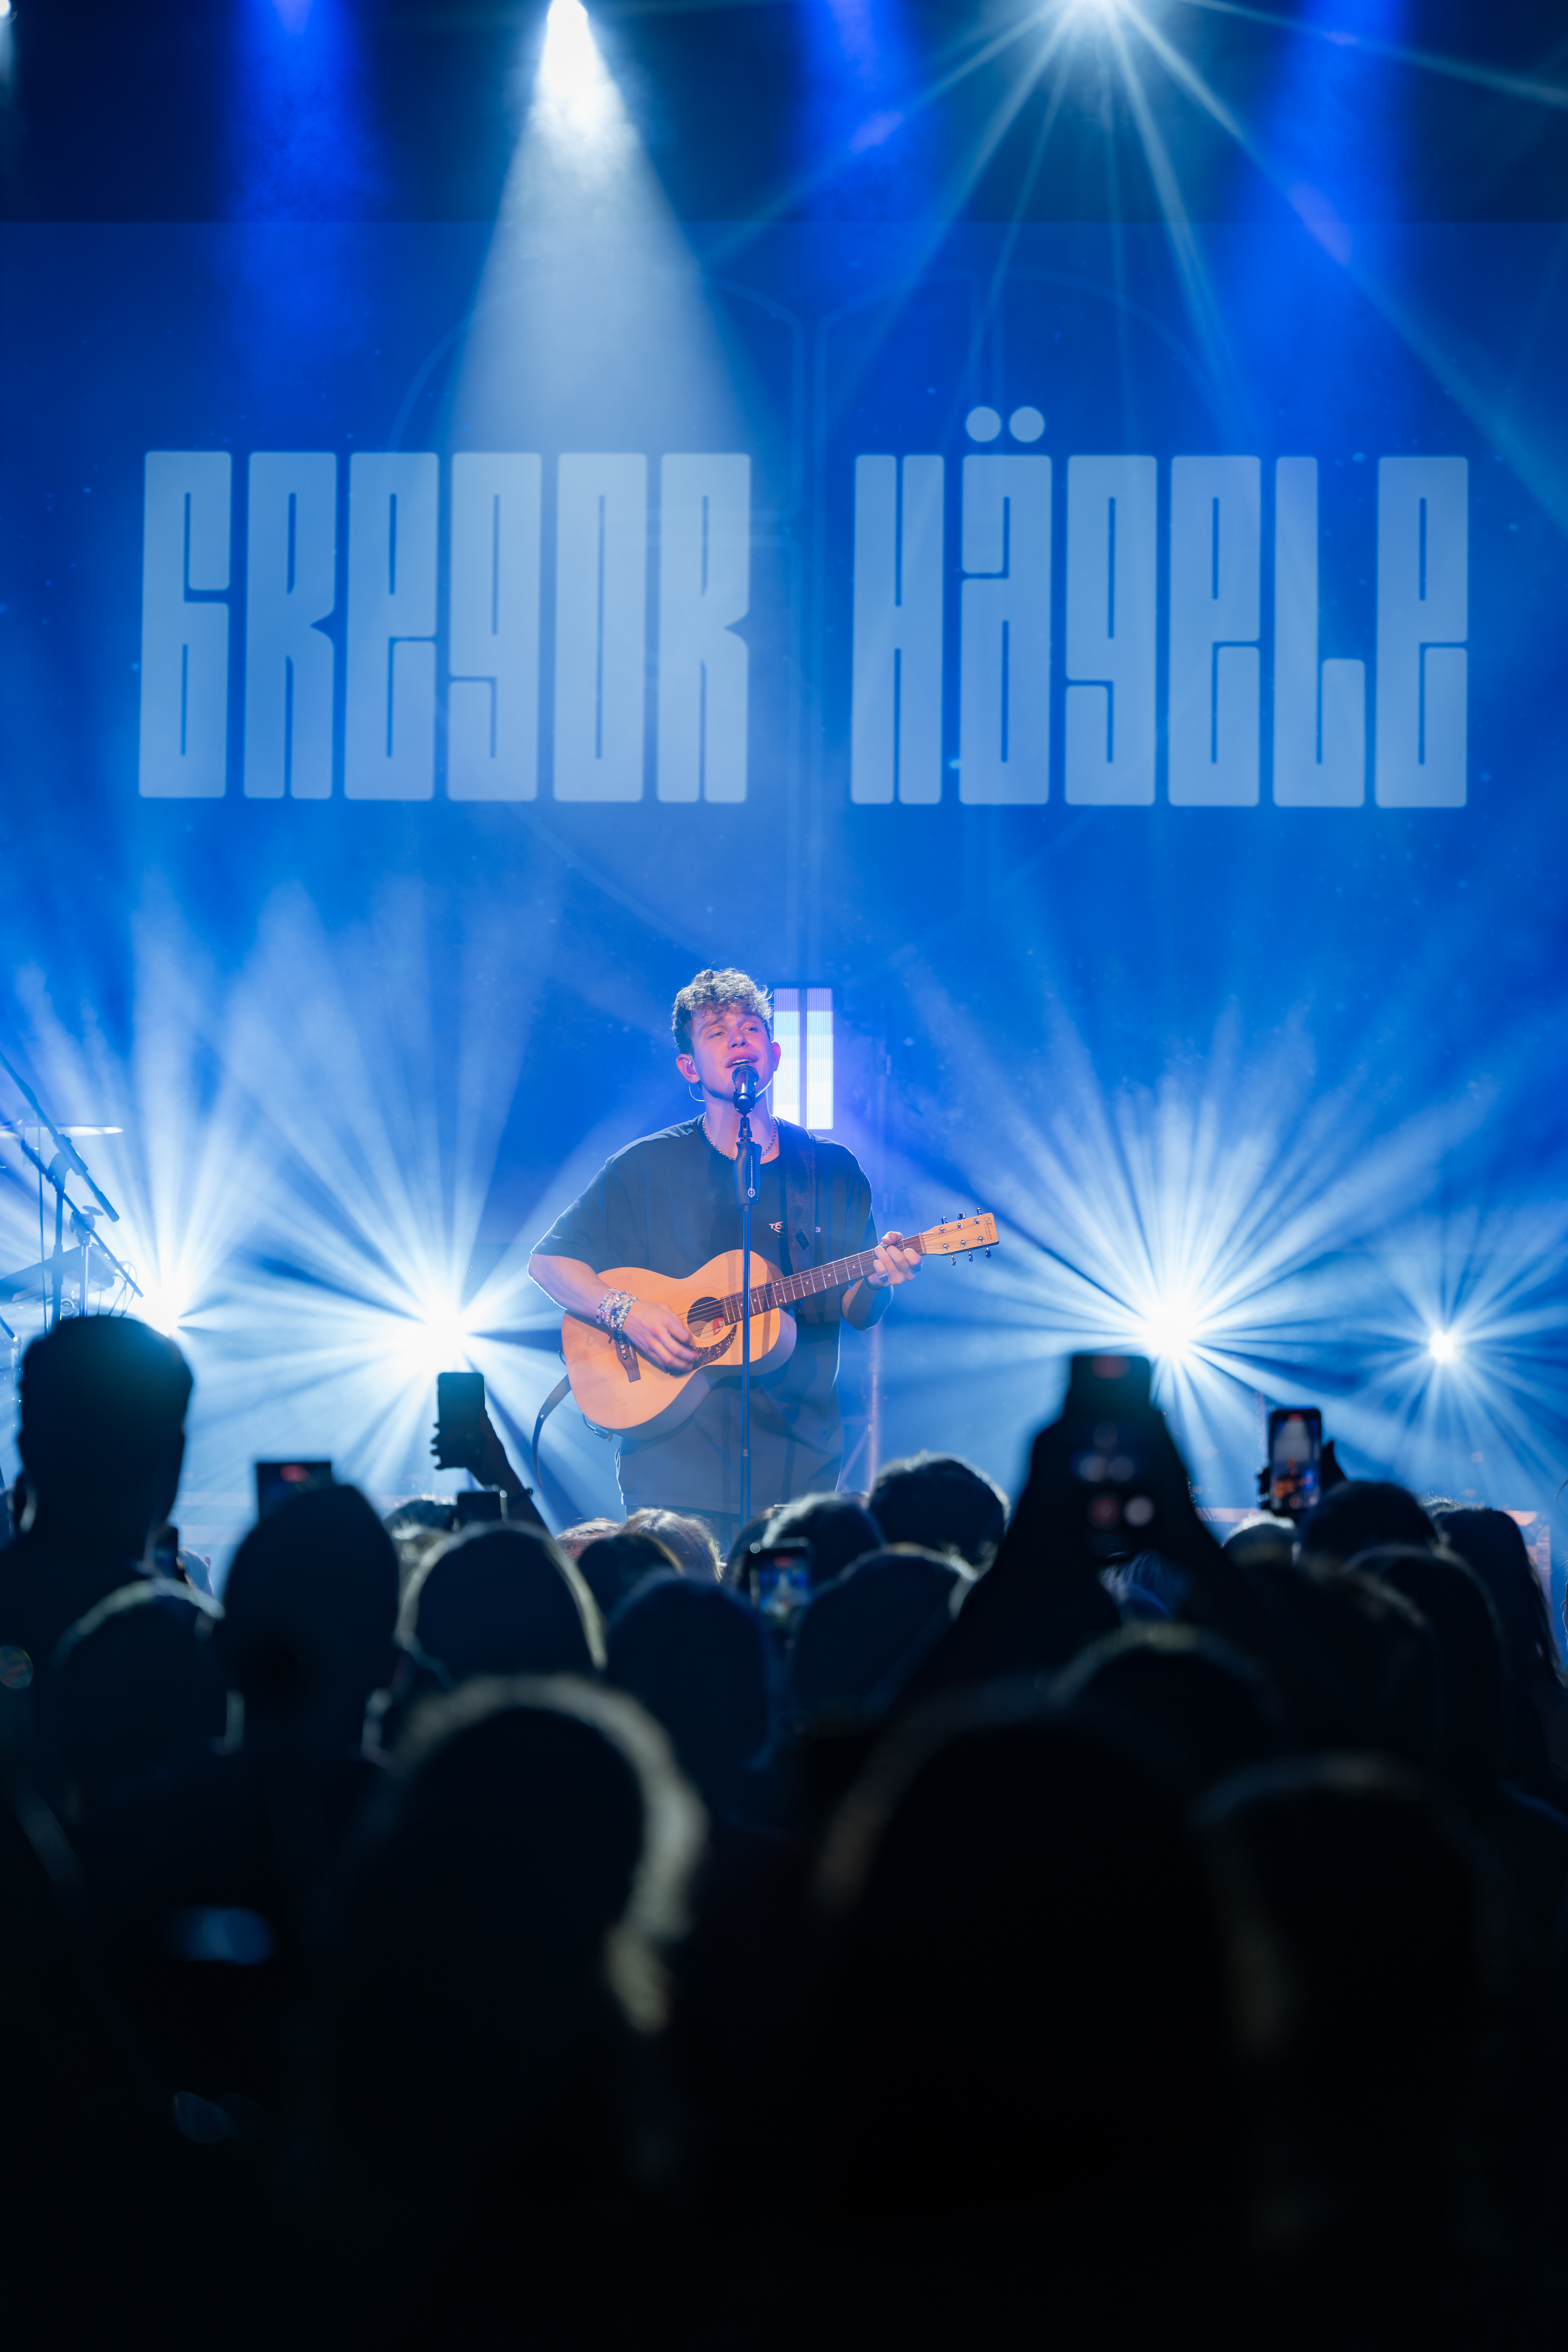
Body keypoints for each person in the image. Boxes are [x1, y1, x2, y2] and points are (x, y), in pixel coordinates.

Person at [528, 970, 920, 1554]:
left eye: (752, 1027)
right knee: (679, 1634)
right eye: (717, 1031)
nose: (740, 1039)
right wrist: (626, 1312)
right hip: (670, 1464)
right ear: (689, 1066)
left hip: (798, 1460)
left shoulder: (832, 1171)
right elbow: (550, 1264)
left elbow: (855, 1308)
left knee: (781, 1628)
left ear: (776, 1053)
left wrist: (879, 1278)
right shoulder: (644, 1168)